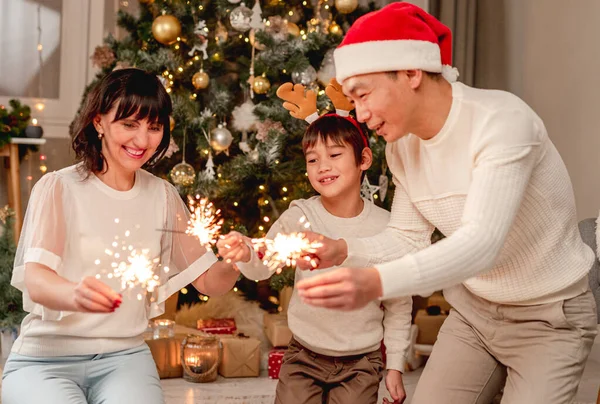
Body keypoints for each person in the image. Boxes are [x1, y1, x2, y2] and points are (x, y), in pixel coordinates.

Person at [294, 3, 598, 403]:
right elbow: (407, 237)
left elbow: (481, 244)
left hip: (549, 318)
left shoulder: (502, 121)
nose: (361, 115)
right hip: (473, 314)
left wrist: (376, 282)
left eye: (363, 95)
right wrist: (344, 250)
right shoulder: (402, 147)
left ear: (411, 72)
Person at [1, 68, 239, 404]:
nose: (142, 141)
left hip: (124, 360)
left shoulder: (163, 196)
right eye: (129, 124)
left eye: (154, 127)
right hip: (45, 361)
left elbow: (211, 282)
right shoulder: (59, 187)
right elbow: (37, 280)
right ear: (98, 122)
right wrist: (73, 294)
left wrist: (235, 260)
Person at [218, 112, 412, 404]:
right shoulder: (301, 215)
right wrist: (246, 250)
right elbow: (264, 260)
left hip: (361, 363)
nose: (323, 167)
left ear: (364, 160)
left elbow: (398, 302)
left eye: (335, 154)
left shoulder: (386, 227)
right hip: (304, 355)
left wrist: (395, 365)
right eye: (312, 160)